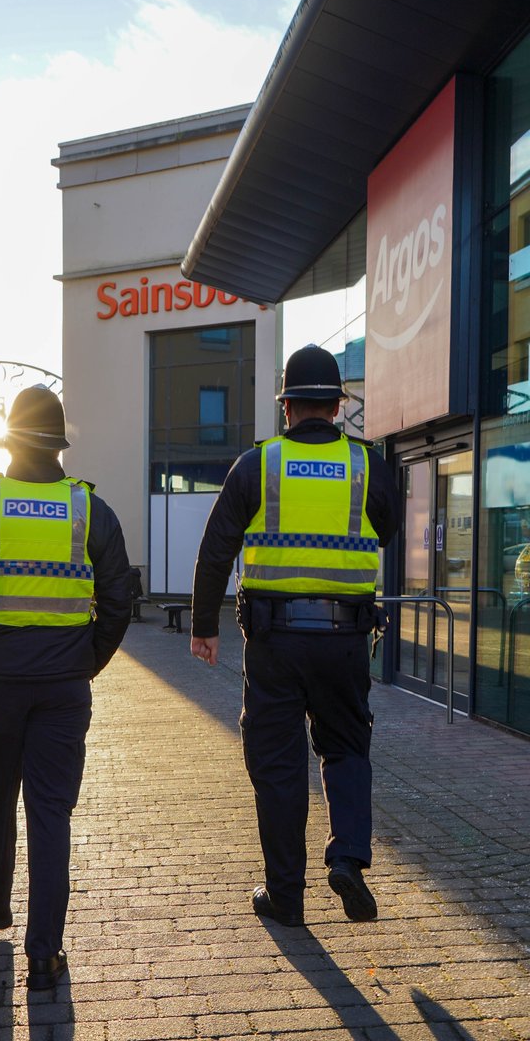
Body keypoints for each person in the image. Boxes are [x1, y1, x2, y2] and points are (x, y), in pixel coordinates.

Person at [0, 386, 132, 988]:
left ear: (10, 438)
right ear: (61, 444)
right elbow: (120, 599)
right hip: (63, 688)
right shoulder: (90, 510)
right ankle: (44, 953)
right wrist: (83, 661)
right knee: (50, 814)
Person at [190, 344, 399, 928]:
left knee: (279, 769)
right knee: (347, 748)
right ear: (335, 405)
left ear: (287, 407)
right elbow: (387, 528)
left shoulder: (258, 465)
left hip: (275, 645)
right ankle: (349, 859)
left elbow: (216, 548)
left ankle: (286, 898)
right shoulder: (367, 467)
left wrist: (204, 627)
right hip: (346, 640)